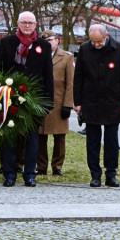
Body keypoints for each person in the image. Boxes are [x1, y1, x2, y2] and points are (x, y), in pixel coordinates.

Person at [0, 11, 54, 187]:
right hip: (10, 96)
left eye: (30, 23)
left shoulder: (43, 45)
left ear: (35, 25)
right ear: (18, 24)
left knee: (32, 138)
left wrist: (48, 101)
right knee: (10, 137)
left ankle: (29, 174)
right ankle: (10, 173)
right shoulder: (7, 43)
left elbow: (48, 75)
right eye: (24, 22)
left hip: (34, 98)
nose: (27, 25)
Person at [73, 23, 120, 188]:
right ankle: (95, 174)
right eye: (93, 41)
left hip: (113, 101)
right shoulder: (84, 49)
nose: (96, 45)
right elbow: (79, 77)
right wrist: (77, 102)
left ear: (106, 36)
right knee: (92, 141)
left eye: (99, 41)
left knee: (111, 140)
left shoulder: (119, 49)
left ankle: (111, 174)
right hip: (90, 101)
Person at [37, 30, 74, 176]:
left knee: (59, 137)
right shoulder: (38, 56)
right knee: (40, 136)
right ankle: (41, 166)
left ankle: (57, 166)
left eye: (50, 40)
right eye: (45, 41)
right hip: (41, 103)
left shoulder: (66, 58)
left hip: (59, 103)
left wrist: (68, 104)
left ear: (57, 41)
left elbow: (70, 83)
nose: (48, 43)